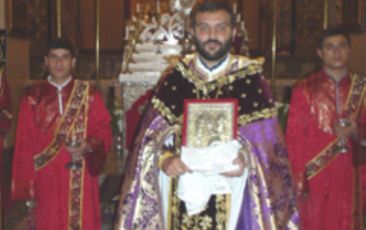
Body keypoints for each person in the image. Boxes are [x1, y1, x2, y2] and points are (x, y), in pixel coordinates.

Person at [115, 1, 299, 229]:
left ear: (233, 31)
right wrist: (165, 160)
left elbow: (270, 152)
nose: (212, 35)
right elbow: (149, 140)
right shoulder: (177, 78)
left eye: (221, 27)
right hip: (179, 192)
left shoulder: (250, 80)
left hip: (233, 191)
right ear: (192, 32)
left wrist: (247, 161)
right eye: (204, 28)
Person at [11, 38, 112, 230]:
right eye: (54, 58)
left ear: (73, 62)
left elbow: (104, 128)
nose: (59, 63)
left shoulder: (89, 94)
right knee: (48, 221)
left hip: (81, 173)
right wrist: (27, 186)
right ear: (46, 61)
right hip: (46, 175)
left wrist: (88, 145)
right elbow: (24, 143)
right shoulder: (32, 97)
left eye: (65, 58)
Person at [286, 27, 366, 230]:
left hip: (352, 172)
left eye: (342, 46)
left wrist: (357, 132)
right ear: (320, 53)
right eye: (330, 47)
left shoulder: (362, 88)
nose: (337, 52)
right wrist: (298, 181)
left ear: (349, 50)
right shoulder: (304, 89)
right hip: (315, 176)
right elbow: (294, 139)